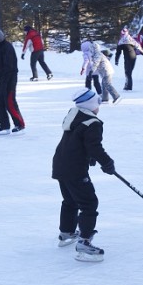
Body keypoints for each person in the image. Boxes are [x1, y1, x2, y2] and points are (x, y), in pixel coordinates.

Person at [52, 88, 116, 262]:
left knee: (70, 200)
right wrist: (107, 163)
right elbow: (94, 147)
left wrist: (89, 157)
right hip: (74, 169)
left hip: (60, 165)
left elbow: (77, 141)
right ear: (91, 105)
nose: (98, 106)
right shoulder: (93, 123)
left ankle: (67, 232)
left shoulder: (74, 114)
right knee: (89, 203)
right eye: (97, 103)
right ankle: (84, 242)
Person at [0, 29, 25, 135]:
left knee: (10, 102)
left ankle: (20, 125)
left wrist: (5, 82)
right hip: (2, 79)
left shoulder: (7, 47)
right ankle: (4, 126)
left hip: (9, 80)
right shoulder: (1, 48)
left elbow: (10, 67)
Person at [82, 40, 121, 104]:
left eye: (91, 49)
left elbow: (95, 63)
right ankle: (105, 99)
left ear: (93, 49)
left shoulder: (97, 54)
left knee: (107, 84)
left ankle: (116, 96)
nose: (90, 50)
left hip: (107, 71)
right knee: (104, 84)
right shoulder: (97, 54)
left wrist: (91, 71)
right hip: (106, 71)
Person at [115, 27, 143, 91]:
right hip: (134, 57)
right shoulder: (131, 39)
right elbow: (138, 47)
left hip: (127, 58)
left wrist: (116, 60)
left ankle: (128, 87)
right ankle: (127, 85)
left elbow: (118, 52)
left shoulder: (121, 41)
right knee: (129, 72)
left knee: (127, 72)